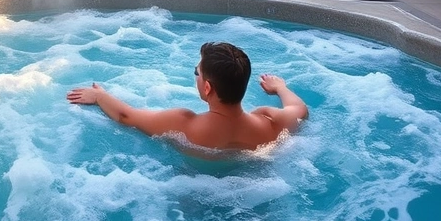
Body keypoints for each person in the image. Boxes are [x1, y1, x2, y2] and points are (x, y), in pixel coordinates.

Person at [66, 42, 309, 151]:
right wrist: (280, 88)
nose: (196, 76)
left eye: (197, 73)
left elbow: (125, 115)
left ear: (207, 89)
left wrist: (99, 95)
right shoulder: (272, 122)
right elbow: (300, 111)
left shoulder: (184, 124)